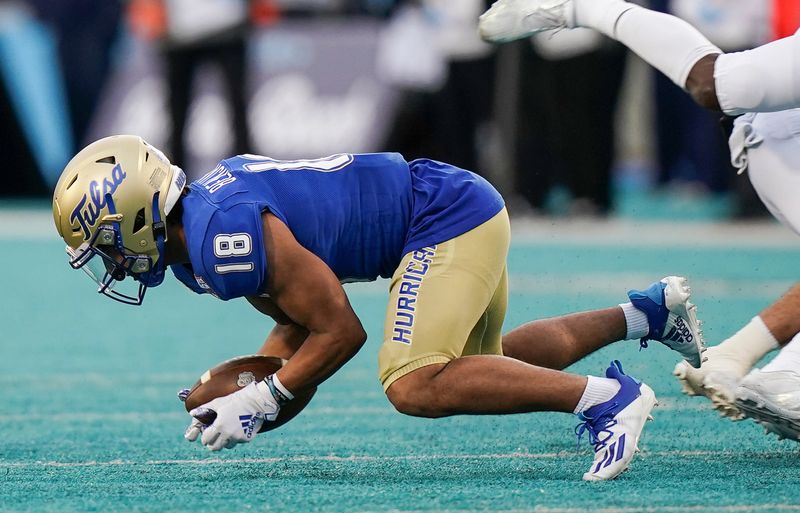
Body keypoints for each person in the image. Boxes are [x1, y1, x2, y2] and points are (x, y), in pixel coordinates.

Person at [52, 135, 705, 480]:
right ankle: (647, 313)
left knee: (414, 378)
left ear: (138, 215)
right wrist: (251, 391)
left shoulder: (223, 236)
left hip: (441, 217)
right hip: (447, 204)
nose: (110, 259)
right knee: (487, 366)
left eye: (105, 241)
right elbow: (300, 320)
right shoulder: (202, 232)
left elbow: (341, 329)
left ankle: (607, 400)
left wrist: (266, 393)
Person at [478, 0, 800, 439]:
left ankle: (768, 370)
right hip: (780, 144)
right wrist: (581, 12)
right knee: (719, 83)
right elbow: (714, 82)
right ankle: (759, 367)